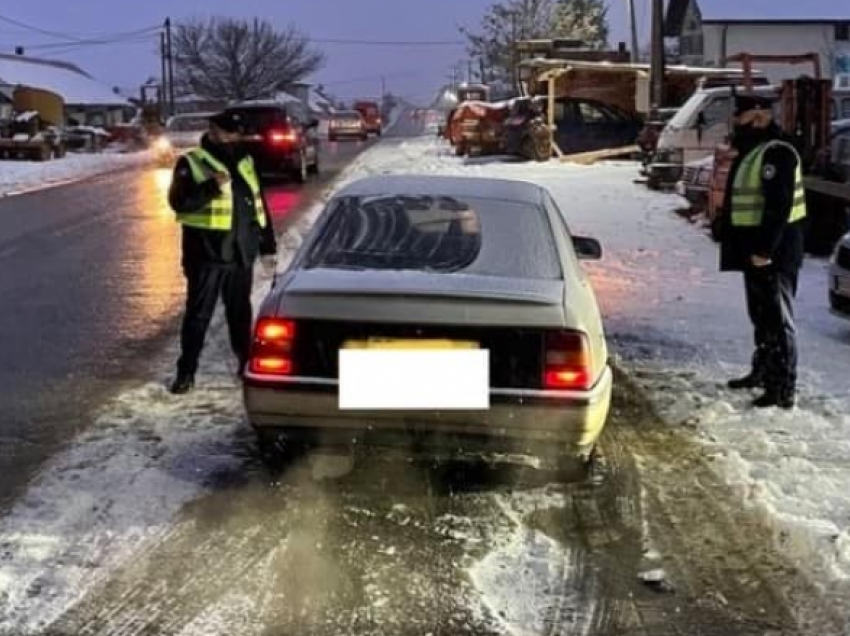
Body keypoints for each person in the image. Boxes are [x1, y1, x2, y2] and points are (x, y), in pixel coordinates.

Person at [167, 111, 277, 395]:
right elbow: (179, 203)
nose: (223, 135)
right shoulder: (192, 162)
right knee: (198, 315)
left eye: (230, 132)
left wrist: (267, 246)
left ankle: (245, 364)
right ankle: (186, 373)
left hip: (241, 252)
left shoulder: (246, 162)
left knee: (240, 314)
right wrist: (212, 186)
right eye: (219, 131)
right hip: (207, 255)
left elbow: (258, 204)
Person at [719, 94, 807, 409]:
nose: (735, 121)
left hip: (774, 252)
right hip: (755, 250)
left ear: (758, 116)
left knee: (778, 319)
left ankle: (782, 387)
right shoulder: (754, 150)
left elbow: (778, 206)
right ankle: (763, 371)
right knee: (761, 316)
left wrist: (763, 249)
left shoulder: (776, 152)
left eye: (739, 115)